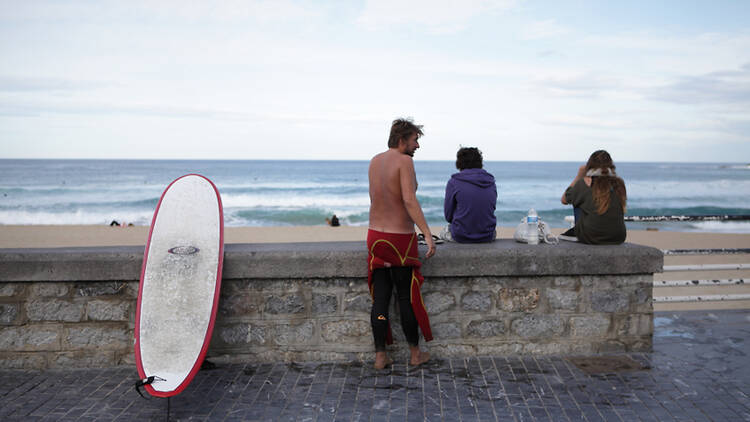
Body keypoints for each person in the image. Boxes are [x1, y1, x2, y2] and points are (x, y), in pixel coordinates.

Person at [367, 118, 434, 369]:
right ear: (401, 140)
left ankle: (380, 355)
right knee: (405, 298)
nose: (417, 145)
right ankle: (415, 354)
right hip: (399, 239)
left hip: (375, 237)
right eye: (415, 140)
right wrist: (426, 232)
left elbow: (376, 197)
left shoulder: (375, 161)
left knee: (381, 300)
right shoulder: (404, 162)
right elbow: (409, 200)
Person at [560, 150, 627, 244]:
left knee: (577, 199)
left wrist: (579, 175)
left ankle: (577, 231)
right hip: (618, 236)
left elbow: (564, 200)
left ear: (589, 165)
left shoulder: (585, 183)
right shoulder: (619, 183)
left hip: (591, 236)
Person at [442, 147, 497, 243]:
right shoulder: (491, 181)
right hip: (488, 235)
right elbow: (490, 208)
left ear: (459, 163)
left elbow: (448, 216)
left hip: (461, 236)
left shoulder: (454, 182)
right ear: (480, 162)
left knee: (443, 232)